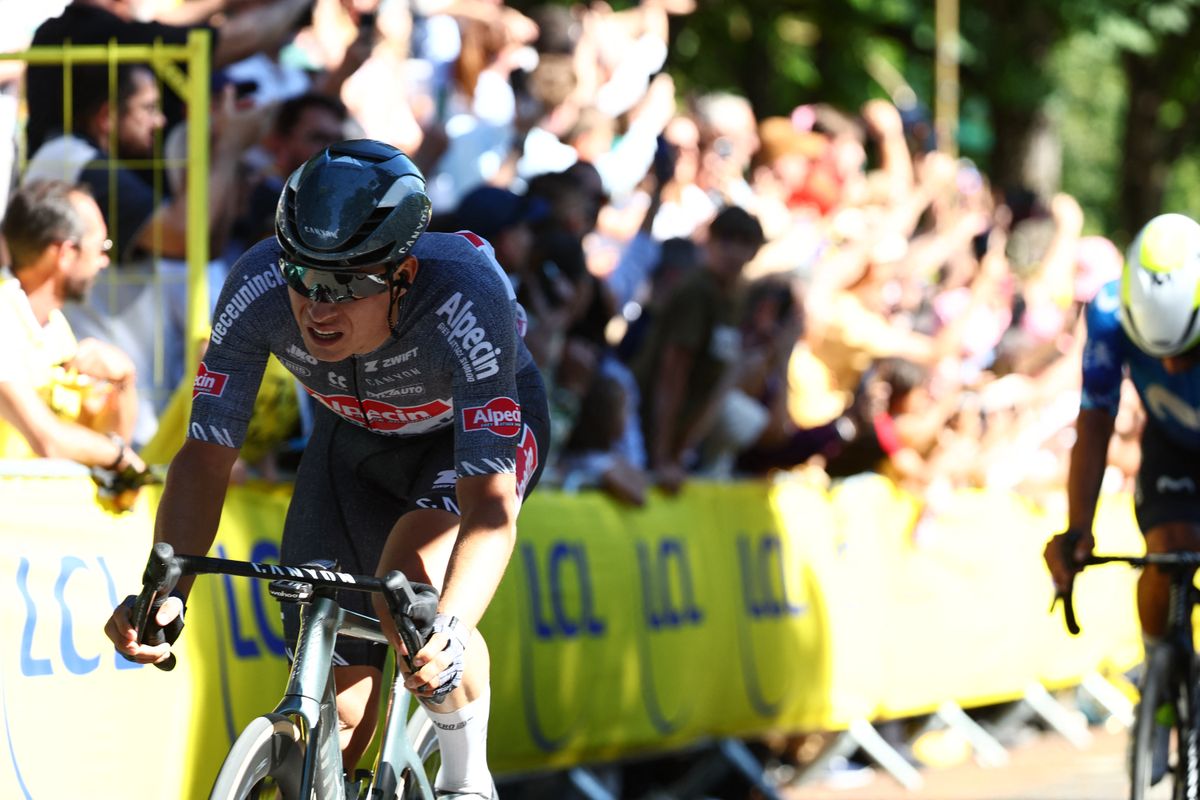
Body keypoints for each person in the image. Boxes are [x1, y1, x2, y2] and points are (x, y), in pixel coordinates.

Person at [104, 139, 550, 800]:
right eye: (302, 275)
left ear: (401, 276)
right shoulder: (257, 288)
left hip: (462, 443)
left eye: (344, 283)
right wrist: (165, 585)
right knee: (338, 722)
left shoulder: (463, 297)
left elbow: (489, 508)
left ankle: (464, 773)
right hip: (356, 443)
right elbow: (203, 456)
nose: (316, 304)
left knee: (408, 597)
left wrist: (448, 634)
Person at [1044, 212, 1200, 785]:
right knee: (1168, 550)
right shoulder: (1109, 313)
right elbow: (1094, 425)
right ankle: (1160, 664)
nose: (1169, 366)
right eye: (1155, 352)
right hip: (1173, 444)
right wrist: (1076, 529)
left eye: (1187, 350)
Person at [0, 180, 144, 476]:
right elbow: (49, 441)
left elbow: (94, 439)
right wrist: (121, 457)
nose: (104, 261)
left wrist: (124, 383)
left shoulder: (56, 330)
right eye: (102, 246)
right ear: (65, 253)